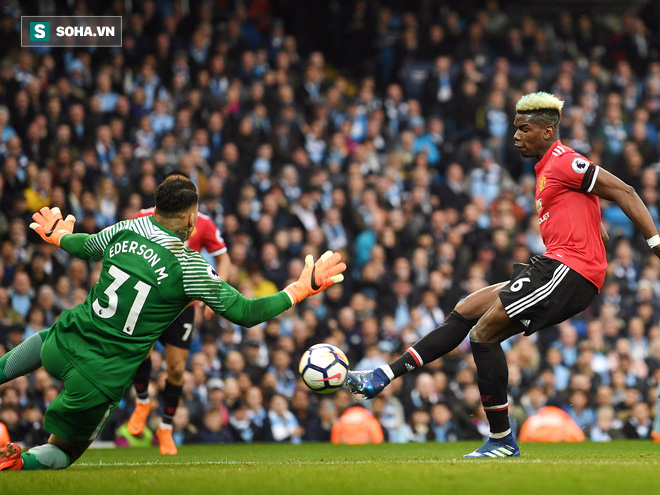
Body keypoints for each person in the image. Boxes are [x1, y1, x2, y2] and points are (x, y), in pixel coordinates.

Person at [347, 91, 660, 458]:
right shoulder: (545, 170)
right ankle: (384, 374)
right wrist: (593, 231)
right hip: (557, 264)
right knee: (466, 309)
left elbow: (625, 190)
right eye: (514, 129)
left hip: (569, 269)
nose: (515, 136)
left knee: (483, 335)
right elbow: (597, 223)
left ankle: (501, 440)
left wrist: (655, 244)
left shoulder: (563, 160)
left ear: (547, 131)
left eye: (523, 129)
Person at [0, 177, 345, 471]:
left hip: (67, 339)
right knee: (65, 450)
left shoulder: (128, 227)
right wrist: (298, 290)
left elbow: (86, 246)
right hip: (100, 376)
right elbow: (245, 313)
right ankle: (17, 462)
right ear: (193, 217)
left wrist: (58, 237)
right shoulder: (190, 267)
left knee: (46, 338)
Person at [127, 172, 231, 455]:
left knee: (175, 368)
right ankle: (143, 400)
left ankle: (166, 427)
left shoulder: (203, 222)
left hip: (183, 307)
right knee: (139, 353)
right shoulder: (142, 218)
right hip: (149, 300)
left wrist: (215, 293)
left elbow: (223, 256)